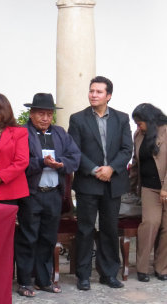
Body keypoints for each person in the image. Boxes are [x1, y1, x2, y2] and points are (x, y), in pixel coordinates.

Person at [68, 76, 132, 291]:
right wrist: (96, 170)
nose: (93, 95)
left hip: (113, 182)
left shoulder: (122, 119)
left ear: (109, 96)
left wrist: (111, 169)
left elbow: (126, 150)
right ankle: (83, 275)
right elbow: (75, 151)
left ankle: (109, 274)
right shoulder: (77, 119)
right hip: (88, 182)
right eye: (91, 91)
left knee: (109, 229)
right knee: (85, 229)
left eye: (98, 92)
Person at [16, 93, 81, 296]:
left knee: (48, 238)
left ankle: (44, 280)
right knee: (28, 237)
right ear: (32, 113)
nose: (45, 118)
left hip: (53, 194)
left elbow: (75, 157)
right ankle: (25, 281)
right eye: (41, 114)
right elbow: (20, 162)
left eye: (49, 114)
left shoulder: (60, 133)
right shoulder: (22, 133)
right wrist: (41, 163)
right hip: (31, 194)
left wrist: (61, 163)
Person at [129, 103, 167, 282]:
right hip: (149, 188)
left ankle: (162, 269)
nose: (138, 126)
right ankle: (143, 268)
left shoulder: (166, 132)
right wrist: (131, 186)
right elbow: (136, 162)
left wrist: (165, 188)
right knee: (150, 224)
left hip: (165, 187)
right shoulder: (138, 135)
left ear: (150, 121)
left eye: (140, 123)